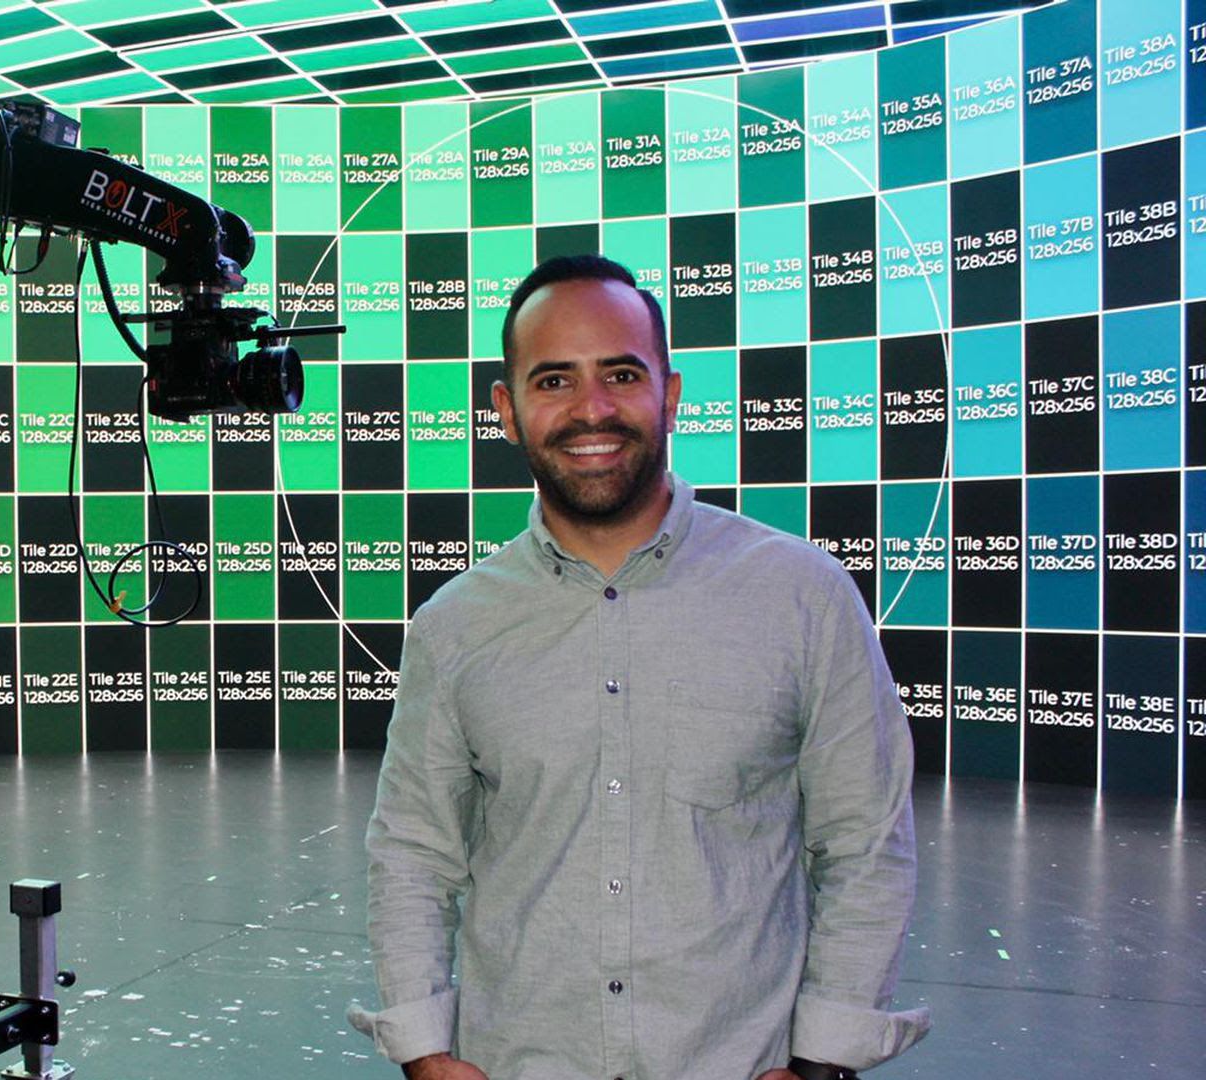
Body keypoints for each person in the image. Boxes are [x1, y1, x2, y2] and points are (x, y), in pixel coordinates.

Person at [349, 255, 930, 1080]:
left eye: (621, 373)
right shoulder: (454, 628)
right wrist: (425, 1052)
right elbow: (413, 850)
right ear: (507, 412)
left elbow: (866, 840)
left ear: (671, 391)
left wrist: (825, 1060)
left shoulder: (803, 596)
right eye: (554, 381)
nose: (592, 409)